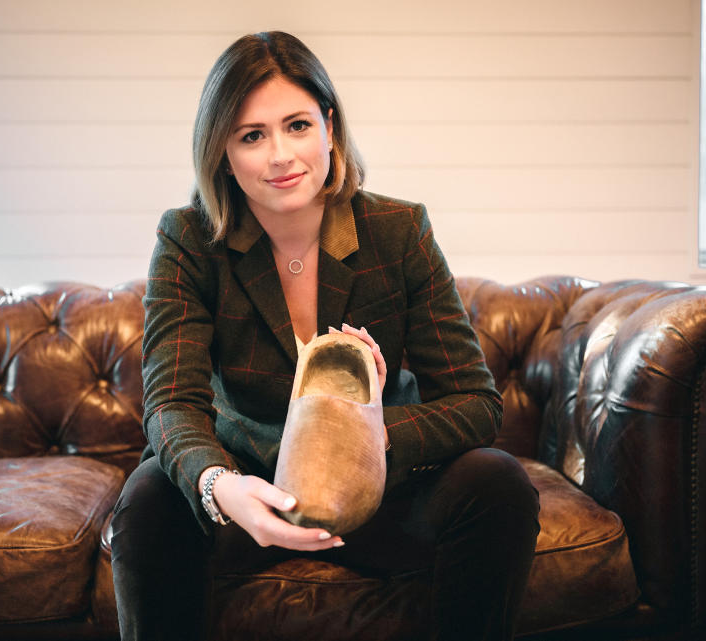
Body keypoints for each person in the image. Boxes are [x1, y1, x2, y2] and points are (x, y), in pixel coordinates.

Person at [111, 31, 540, 641]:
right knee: (149, 498)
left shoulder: (399, 230)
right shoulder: (188, 239)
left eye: (297, 125)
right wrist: (219, 486)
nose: (281, 155)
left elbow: (476, 403)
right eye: (252, 135)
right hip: (253, 490)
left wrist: (361, 437)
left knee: (497, 481)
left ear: (329, 128)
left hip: (385, 494)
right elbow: (171, 402)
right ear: (222, 153)